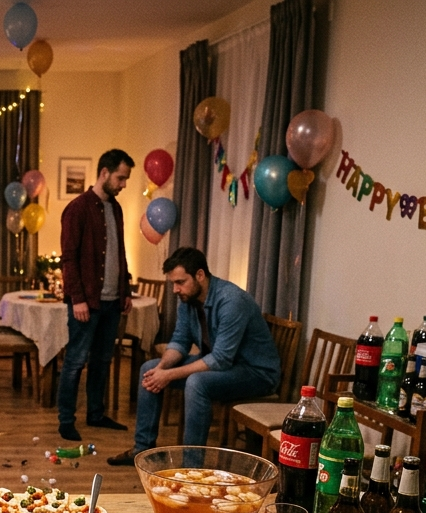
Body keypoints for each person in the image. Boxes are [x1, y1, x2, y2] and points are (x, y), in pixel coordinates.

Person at [106, 247, 280, 466]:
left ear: (200, 275)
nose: (175, 290)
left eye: (180, 282)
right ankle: (143, 449)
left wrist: (168, 376)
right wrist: (161, 369)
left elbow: (220, 359)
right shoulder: (188, 300)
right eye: (172, 284)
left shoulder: (231, 300)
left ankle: (191, 465)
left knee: (197, 383)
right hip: (227, 366)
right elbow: (179, 342)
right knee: (148, 369)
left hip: (256, 373)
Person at [56, 149, 135, 442]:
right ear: (104, 173)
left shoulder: (116, 209)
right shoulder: (77, 208)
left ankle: (96, 414)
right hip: (86, 301)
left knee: (102, 360)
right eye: (121, 177)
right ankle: (66, 419)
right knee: (75, 361)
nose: (123, 184)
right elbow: (69, 258)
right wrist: (77, 298)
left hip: (113, 300)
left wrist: (125, 290)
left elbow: (120, 253)